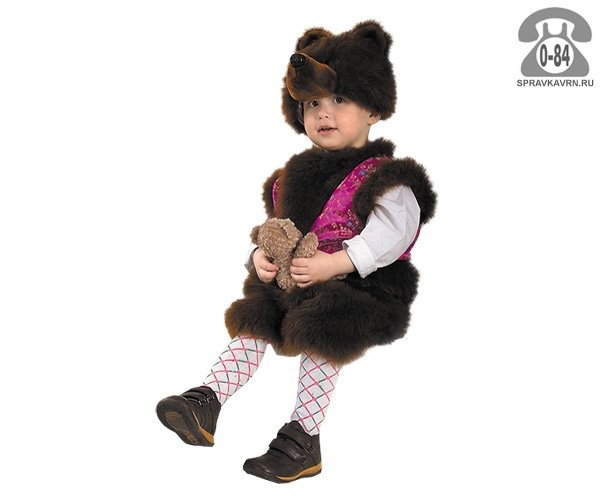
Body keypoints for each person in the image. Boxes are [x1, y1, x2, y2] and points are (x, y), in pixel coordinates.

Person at [156, 20, 437, 483]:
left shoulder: (385, 178)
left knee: (323, 324)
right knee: (257, 315)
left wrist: (337, 262)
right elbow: (281, 232)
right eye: (312, 104)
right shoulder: (293, 179)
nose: (324, 113)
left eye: (339, 100)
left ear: (373, 109)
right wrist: (261, 259)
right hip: (301, 278)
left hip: (364, 287)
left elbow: (393, 234)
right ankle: (208, 400)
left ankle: (304, 436)